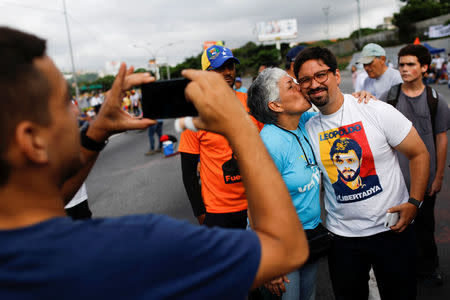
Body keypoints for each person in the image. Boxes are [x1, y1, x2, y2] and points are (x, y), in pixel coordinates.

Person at [0, 26, 309, 299]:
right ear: (32, 141)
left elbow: (52, 193)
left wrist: (96, 133)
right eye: (63, 103)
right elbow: (287, 249)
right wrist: (239, 127)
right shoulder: (137, 248)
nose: (78, 113)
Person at [294, 46, 430, 299]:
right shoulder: (306, 127)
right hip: (342, 238)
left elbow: (419, 153)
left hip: (391, 231)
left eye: (321, 75)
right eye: (305, 80)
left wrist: (414, 203)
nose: (314, 84)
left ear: (336, 75)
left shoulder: (374, 109)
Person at [247, 67, 321, 300]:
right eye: (291, 86)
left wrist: (359, 98)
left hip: (310, 236)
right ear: (276, 106)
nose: (300, 87)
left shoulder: (304, 120)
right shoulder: (269, 144)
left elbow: (335, 106)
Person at [379, 44, 449, 286]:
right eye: (401, 64)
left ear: (424, 68)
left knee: (425, 225)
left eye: (410, 64)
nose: (405, 69)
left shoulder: (435, 100)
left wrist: (438, 176)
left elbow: (441, 138)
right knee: (396, 227)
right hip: (395, 179)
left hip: (424, 178)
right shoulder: (389, 96)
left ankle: (429, 268)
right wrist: (361, 97)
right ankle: (403, 268)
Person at [178, 45, 263, 227]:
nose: (227, 72)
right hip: (218, 212)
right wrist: (201, 214)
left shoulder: (251, 102)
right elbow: (188, 173)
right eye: (219, 69)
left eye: (230, 66)